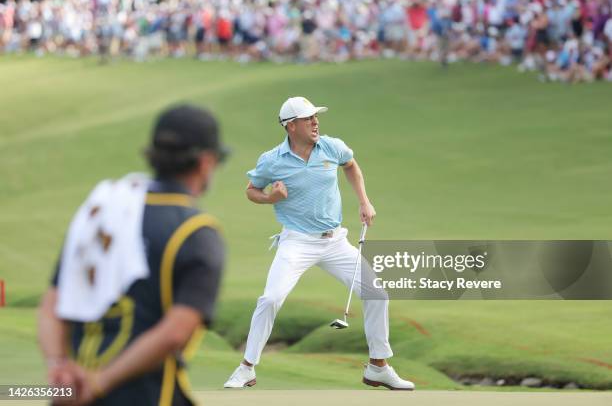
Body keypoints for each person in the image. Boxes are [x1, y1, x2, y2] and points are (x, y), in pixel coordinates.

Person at [37, 105, 229, 405]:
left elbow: (52, 305)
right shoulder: (196, 231)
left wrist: (58, 367)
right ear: (206, 162)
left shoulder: (100, 214)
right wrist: (100, 384)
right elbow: (175, 333)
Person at [223, 97, 414, 391]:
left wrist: (364, 201)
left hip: (335, 241)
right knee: (271, 299)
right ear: (290, 126)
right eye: (308, 118)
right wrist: (270, 198)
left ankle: (378, 367)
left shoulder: (331, 146)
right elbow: (251, 190)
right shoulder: (272, 160)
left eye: (315, 116)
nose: (315, 122)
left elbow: (351, 166)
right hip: (296, 242)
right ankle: (246, 368)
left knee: (377, 293)